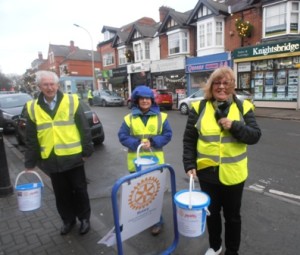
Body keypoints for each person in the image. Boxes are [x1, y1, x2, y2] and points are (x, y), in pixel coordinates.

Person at [182, 66, 261, 255]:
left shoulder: (244, 107)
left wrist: (234, 125)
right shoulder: (199, 107)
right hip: (207, 173)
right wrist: (190, 164)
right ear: (211, 86)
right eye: (217, 83)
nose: (221, 87)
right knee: (212, 214)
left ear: (233, 86)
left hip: (234, 174)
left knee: (233, 217)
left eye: (226, 83)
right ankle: (215, 246)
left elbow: (255, 136)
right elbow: (189, 139)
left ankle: (232, 251)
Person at [24, 70, 94, 236]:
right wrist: (30, 162)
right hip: (51, 159)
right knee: (61, 194)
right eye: (45, 84)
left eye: (52, 84)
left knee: (79, 190)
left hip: (73, 156)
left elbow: (83, 128)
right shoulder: (32, 107)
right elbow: (31, 137)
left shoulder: (72, 101)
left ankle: (84, 219)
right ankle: (68, 220)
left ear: (58, 85)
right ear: (39, 86)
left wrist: (87, 150)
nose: (49, 88)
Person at [118, 85, 172, 236]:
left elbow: (168, 135)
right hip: (136, 164)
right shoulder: (129, 119)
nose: (145, 101)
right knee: (139, 195)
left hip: (155, 164)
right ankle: (141, 220)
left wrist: (153, 142)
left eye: (147, 98)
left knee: (154, 194)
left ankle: (157, 221)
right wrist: (137, 144)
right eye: (141, 98)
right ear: (137, 100)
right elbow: (122, 136)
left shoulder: (162, 117)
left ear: (151, 100)